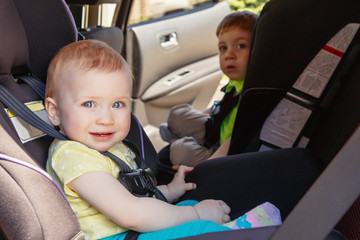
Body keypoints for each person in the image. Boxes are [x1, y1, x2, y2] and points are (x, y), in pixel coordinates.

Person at [44, 40, 281, 240]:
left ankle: (228, 229)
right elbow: (131, 213)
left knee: (187, 206)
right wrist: (197, 215)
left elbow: (134, 196)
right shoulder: (73, 156)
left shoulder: (110, 147)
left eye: (118, 104)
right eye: (89, 104)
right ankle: (235, 232)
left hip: (129, 231)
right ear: (54, 112)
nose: (106, 119)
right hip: (114, 236)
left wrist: (168, 190)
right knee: (198, 225)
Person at [158, 11, 258, 167]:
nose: (229, 55)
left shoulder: (252, 92)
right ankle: (180, 134)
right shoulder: (235, 83)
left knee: (180, 150)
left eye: (241, 46)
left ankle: (179, 140)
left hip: (221, 151)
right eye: (223, 48)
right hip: (214, 128)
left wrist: (207, 169)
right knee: (178, 113)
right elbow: (221, 108)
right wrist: (197, 119)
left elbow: (233, 142)